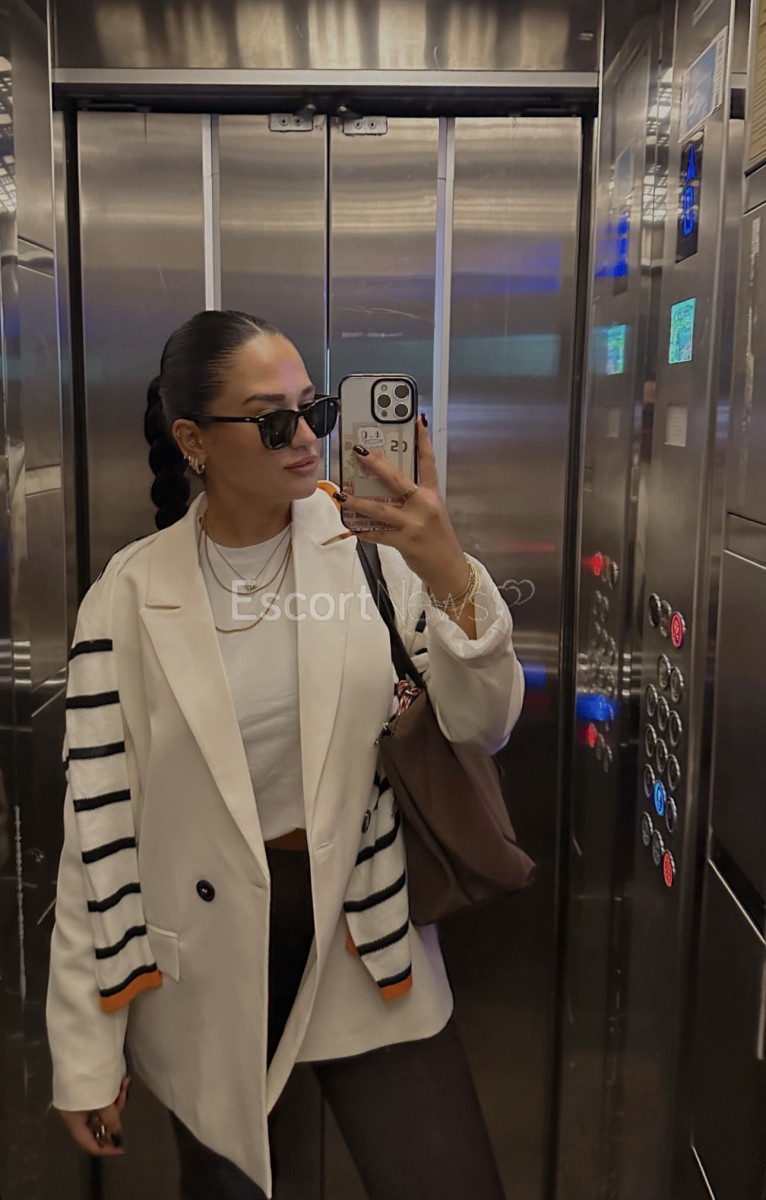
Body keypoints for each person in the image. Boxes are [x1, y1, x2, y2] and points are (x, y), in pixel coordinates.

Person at [46, 310, 525, 1200]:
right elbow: (96, 830)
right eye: (272, 421)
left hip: (366, 933)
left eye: (314, 409)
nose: (306, 438)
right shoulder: (129, 597)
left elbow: (484, 725)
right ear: (193, 440)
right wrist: (84, 1053)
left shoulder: (373, 553)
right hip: (209, 964)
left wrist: (450, 569)